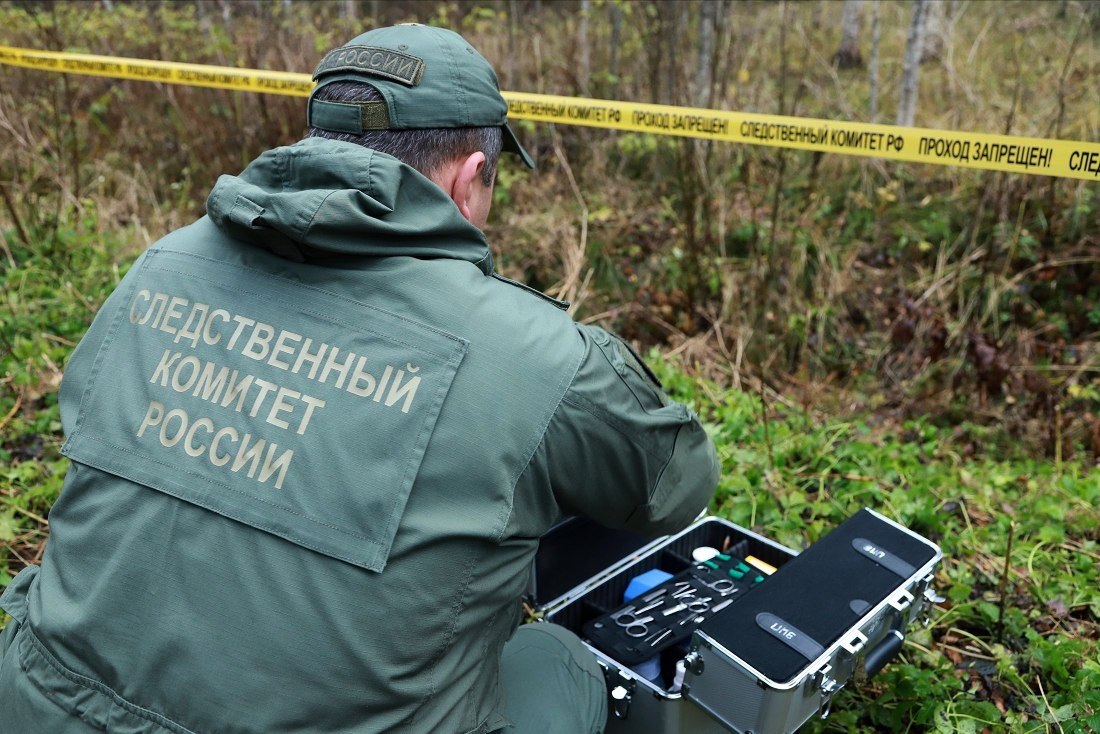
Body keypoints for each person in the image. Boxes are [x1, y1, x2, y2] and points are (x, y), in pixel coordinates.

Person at [0, 24, 718, 734]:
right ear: (469, 178)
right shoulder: (536, 354)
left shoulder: (162, 264)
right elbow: (676, 485)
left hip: (41, 703)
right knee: (557, 663)